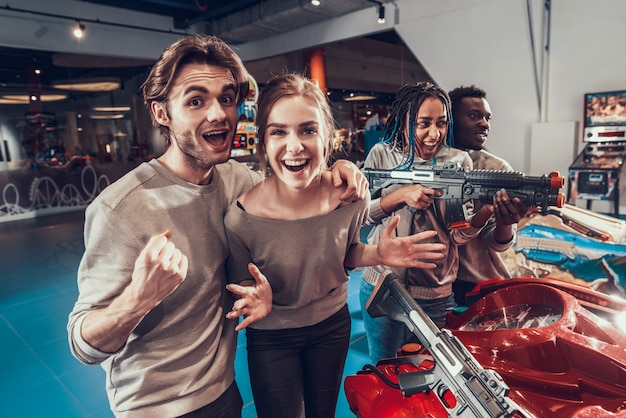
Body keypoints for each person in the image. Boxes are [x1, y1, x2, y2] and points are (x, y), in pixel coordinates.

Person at [67, 35, 367, 418]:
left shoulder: (237, 181)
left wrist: (339, 170)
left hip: (224, 393)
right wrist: (139, 298)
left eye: (226, 98)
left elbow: (291, 183)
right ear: (161, 113)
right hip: (157, 408)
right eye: (196, 101)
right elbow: (84, 345)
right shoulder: (120, 209)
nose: (218, 114)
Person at [223, 73, 446, 418]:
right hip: (273, 337)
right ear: (263, 143)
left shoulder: (349, 197)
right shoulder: (241, 218)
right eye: (279, 131)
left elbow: (344, 254)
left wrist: (377, 254)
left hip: (331, 325)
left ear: (327, 139)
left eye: (308, 130)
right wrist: (254, 297)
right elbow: (241, 289)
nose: (294, 146)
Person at [359, 81, 515, 363]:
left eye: (441, 123)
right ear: (405, 120)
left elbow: (458, 237)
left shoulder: (459, 160)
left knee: (430, 372)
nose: (434, 134)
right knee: (383, 367)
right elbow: (361, 217)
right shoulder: (382, 155)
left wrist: (488, 211)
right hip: (383, 284)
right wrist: (400, 196)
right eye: (423, 124)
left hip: (435, 292)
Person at [448, 85, 528, 306]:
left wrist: (505, 222)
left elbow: (500, 244)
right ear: (450, 120)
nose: (484, 124)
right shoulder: (429, 165)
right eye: (474, 116)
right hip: (432, 284)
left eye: (487, 118)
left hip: (477, 283)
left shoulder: (498, 168)